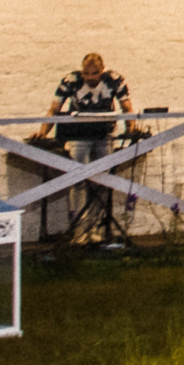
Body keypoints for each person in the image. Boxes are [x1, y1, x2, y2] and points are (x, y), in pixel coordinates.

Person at [45, 52, 135, 236]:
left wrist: (131, 128)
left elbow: (127, 107)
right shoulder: (71, 81)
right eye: (86, 74)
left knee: (102, 180)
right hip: (78, 133)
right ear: (82, 72)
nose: (90, 78)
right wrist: (42, 132)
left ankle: (96, 228)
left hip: (104, 133)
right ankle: (78, 228)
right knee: (78, 178)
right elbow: (54, 108)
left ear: (102, 71)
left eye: (94, 74)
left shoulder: (114, 80)